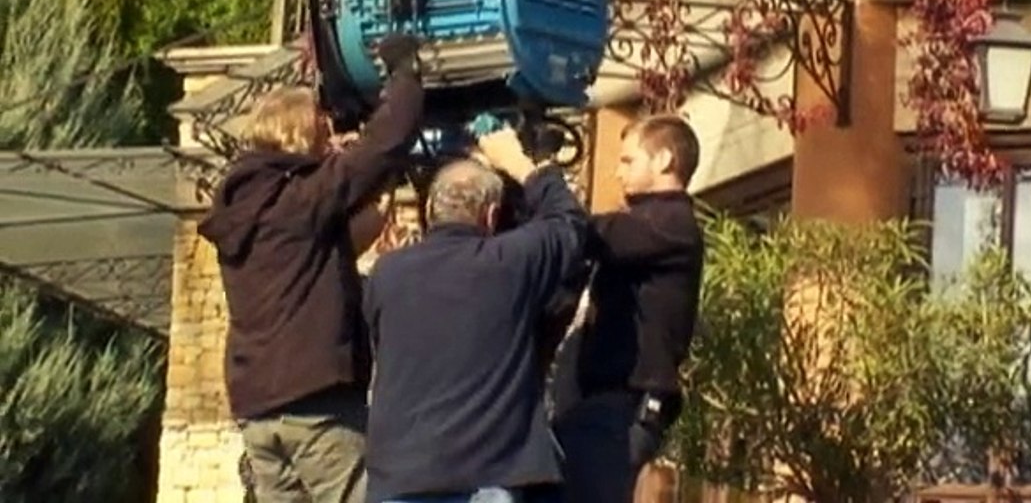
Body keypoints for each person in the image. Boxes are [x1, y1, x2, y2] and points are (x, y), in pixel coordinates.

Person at [198, 33, 427, 503]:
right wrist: (405, 75)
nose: (330, 144)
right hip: (315, 404)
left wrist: (376, 196)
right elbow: (384, 142)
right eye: (323, 135)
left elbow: (320, 252)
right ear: (300, 137)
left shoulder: (248, 207)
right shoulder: (299, 200)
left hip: (259, 410)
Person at [362, 128, 588, 503]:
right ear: (492, 214)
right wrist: (524, 165)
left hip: (400, 475)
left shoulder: (388, 274)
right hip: (488, 472)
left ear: (431, 210)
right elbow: (569, 223)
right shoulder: (509, 263)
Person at [553, 114, 705, 503]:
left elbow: (588, 233)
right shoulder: (645, 224)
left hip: (620, 404)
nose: (618, 173)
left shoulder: (672, 224)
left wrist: (537, 177)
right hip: (595, 405)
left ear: (664, 160)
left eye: (628, 161)